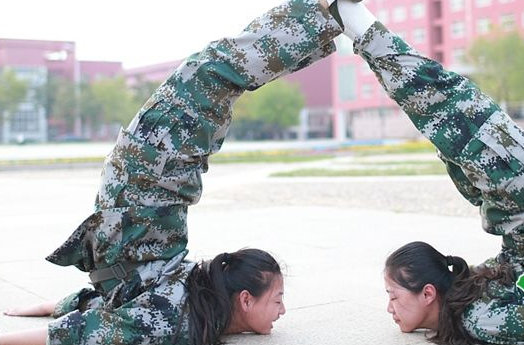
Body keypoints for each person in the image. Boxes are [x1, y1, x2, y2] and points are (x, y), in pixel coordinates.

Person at [1, 1, 343, 344]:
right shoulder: (192, 298)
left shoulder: (170, 319)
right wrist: (53, 304)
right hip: (154, 174)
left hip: (151, 171)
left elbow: (72, 336)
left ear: (245, 300)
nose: (282, 310)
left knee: (214, 70)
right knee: (221, 74)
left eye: (278, 299)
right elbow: (115, 297)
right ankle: (327, 19)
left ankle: (325, 15)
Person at [328, 1, 524, 344]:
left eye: (392, 295)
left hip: (510, 208)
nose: (389, 308)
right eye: (392, 295)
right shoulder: (479, 321)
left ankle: (356, 25)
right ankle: (355, 22)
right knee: (441, 103)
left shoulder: (472, 302)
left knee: (439, 117)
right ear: (428, 293)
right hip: (515, 196)